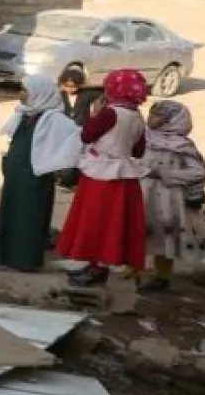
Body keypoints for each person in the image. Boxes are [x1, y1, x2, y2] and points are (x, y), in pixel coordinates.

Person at [57, 69, 150, 285]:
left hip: (101, 175)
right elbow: (138, 151)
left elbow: (87, 135)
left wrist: (95, 115)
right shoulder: (136, 115)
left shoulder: (110, 113)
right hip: (124, 176)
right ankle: (99, 265)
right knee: (113, 224)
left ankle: (95, 267)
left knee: (96, 221)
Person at [0, 74, 80, 271]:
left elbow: (76, 139)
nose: (21, 94)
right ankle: (5, 257)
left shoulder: (54, 119)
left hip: (35, 178)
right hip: (16, 175)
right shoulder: (23, 113)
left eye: (25, 90)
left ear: (39, 93)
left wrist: (55, 163)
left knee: (30, 218)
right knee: (11, 214)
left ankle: (26, 261)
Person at [139, 100, 205, 291]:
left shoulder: (182, 145)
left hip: (166, 198)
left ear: (172, 120)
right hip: (142, 193)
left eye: (157, 116)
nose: (150, 118)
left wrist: (167, 174)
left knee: (163, 237)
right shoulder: (143, 138)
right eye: (151, 114)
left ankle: (162, 276)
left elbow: (199, 171)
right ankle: (134, 270)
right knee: (138, 232)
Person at [57, 66, 102, 190]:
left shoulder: (87, 94)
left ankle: (76, 181)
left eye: (73, 86)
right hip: (65, 131)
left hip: (81, 130)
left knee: (80, 156)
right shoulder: (59, 96)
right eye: (67, 86)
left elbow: (104, 96)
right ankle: (64, 180)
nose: (70, 89)